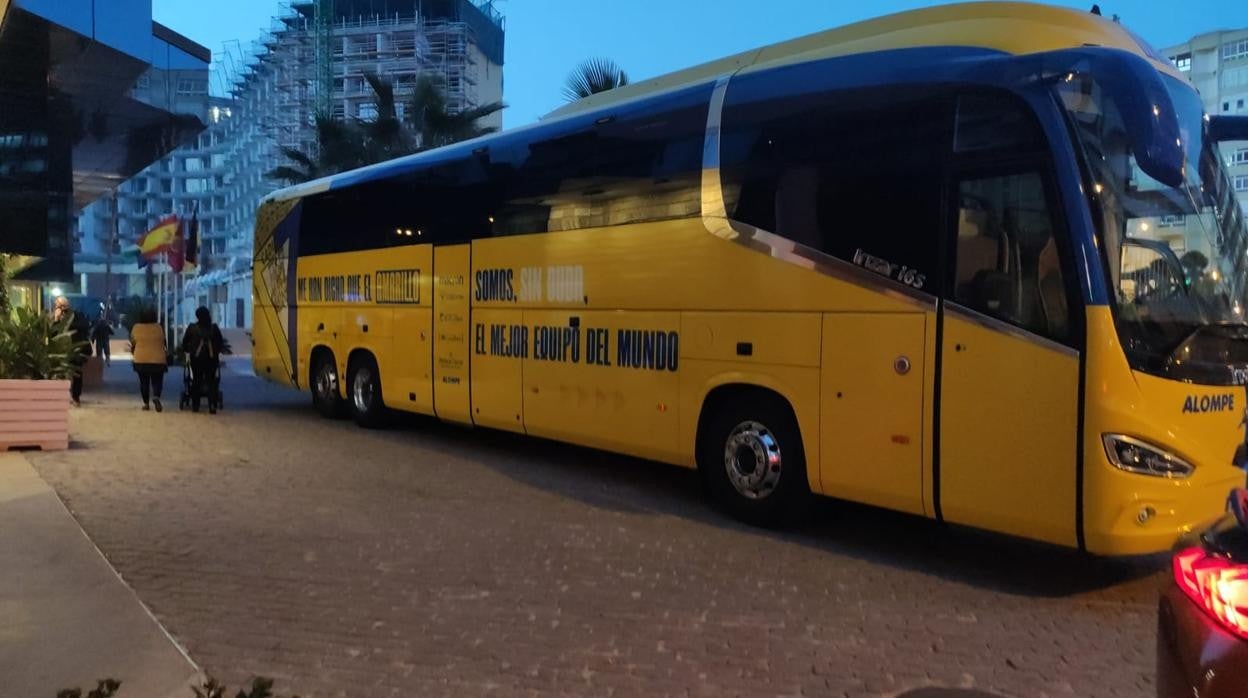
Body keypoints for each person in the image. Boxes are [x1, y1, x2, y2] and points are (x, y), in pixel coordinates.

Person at [181, 306, 224, 414]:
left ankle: (196, 405)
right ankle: (212, 405)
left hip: (196, 358)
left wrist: (189, 350)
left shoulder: (192, 328)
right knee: (211, 381)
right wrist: (215, 352)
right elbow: (220, 343)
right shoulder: (214, 328)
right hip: (211, 358)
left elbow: (185, 342)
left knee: (196, 380)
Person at [52, 297, 91, 407]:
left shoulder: (77, 315)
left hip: (76, 348)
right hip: (62, 350)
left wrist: (66, 322)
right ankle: (62, 396)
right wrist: (56, 320)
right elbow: (53, 333)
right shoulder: (57, 317)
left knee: (77, 373)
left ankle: (76, 397)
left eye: (58, 305)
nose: (57, 307)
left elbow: (84, 326)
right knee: (61, 374)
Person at [129, 308, 167, 411]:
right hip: (158, 359)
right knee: (157, 381)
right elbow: (164, 342)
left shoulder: (136, 327)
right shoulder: (159, 327)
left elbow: (133, 342)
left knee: (144, 382)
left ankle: (146, 404)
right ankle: (156, 396)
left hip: (141, 358)